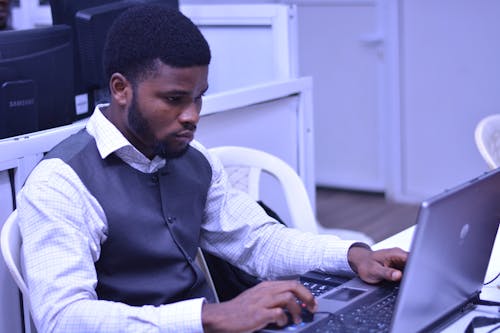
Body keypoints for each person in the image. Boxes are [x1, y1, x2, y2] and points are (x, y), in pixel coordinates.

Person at [16, 4, 408, 333]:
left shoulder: (193, 158)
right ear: (121, 89)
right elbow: (61, 317)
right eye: (173, 99)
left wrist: (353, 256)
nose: (192, 116)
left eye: (198, 98)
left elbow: (258, 241)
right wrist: (210, 316)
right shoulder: (61, 182)